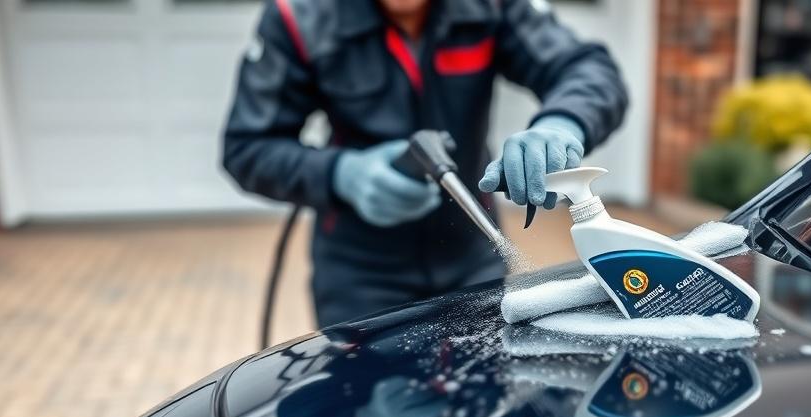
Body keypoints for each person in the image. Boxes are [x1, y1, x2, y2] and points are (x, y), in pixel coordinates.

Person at [223, 0, 628, 328]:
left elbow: (586, 69)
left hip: (473, 257)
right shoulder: (299, 17)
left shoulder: (492, 6)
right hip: (360, 273)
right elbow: (247, 147)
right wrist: (339, 175)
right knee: (367, 416)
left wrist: (563, 122)